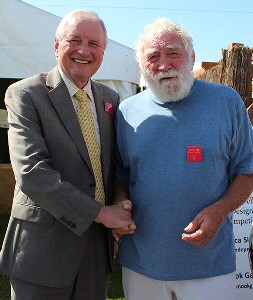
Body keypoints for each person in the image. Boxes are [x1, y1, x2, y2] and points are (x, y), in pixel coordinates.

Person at [0, 9, 135, 300]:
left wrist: (120, 202)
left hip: (96, 252)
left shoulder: (110, 100)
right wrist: (102, 214)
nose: (84, 50)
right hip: (43, 250)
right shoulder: (26, 94)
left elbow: (113, 165)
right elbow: (32, 174)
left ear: (103, 51)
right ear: (57, 45)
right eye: (75, 40)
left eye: (94, 43)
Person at [114, 18, 253, 300]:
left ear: (192, 57)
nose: (164, 65)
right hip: (142, 264)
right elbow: (120, 175)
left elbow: (247, 172)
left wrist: (219, 211)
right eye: (153, 56)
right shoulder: (126, 112)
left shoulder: (227, 102)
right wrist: (120, 204)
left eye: (173, 53)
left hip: (210, 266)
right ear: (142, 65)